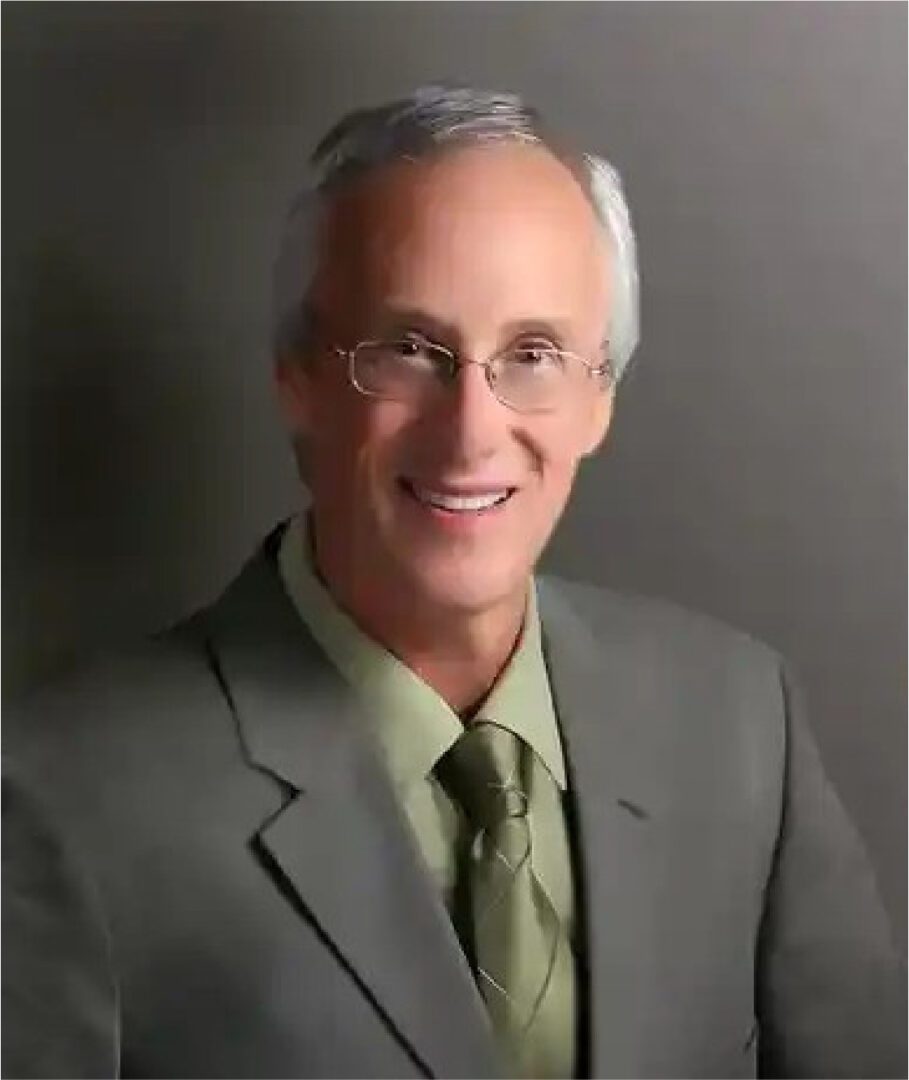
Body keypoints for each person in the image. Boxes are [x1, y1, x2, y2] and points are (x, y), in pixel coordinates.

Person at [3, 84, 903, 1080]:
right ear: (294, 377)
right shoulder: (58, 800)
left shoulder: (742, 721)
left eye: (533, 354)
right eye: (408, 350)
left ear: (599, 394)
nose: (472, 430)